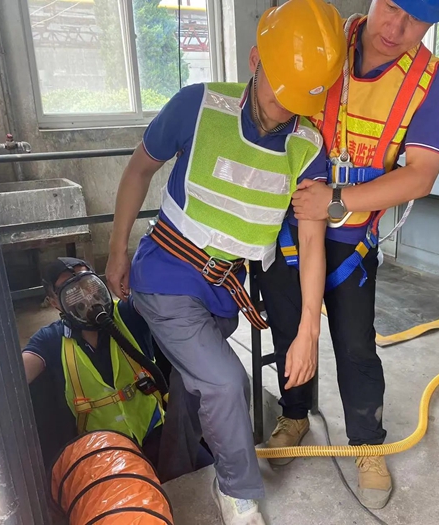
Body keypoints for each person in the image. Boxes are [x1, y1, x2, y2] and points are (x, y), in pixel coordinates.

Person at [104, 1, 346, 523]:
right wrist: (117, 249)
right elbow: (138, 171)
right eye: (279, 92)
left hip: (222, 290)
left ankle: (176, 469)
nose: (283, 111)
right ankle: (236, 491)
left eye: (300, 100)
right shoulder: (197, 106)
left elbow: (312, 243)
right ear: (256, 60)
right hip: (166, 274)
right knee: (224, 382)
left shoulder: (307, 147)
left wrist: (308, 331)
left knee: (194, 387)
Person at [256, 0, 439, 510]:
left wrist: (338, 200)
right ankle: (295, 415)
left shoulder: (431, 82)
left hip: (350, 241)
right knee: (288, 330)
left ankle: (367, 442)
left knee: (355, 345)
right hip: (289, 228)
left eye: (417, 20)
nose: (397, 27)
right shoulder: (323, 42)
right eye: (392, 6)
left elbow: (420, 175)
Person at [22, 257, 165, 467]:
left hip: (156, 431)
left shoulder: (127, 314)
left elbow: (160, 298)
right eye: (71, 292)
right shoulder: (50, 340)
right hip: (103, 455)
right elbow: (15, 379)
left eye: (88, 283)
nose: (86, 296)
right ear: (54, 302)